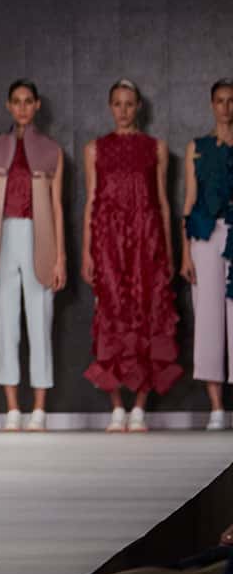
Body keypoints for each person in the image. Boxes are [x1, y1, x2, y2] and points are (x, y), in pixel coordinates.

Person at [82, 79, 183, 430]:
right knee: (111, 316)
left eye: (129, 103)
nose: (123, 110)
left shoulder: (156, 148)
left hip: (147, 241)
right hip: (108, 242)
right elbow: (91, 202)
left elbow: (164, 203)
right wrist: (87, 251)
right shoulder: (95, 148)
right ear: (110, 107)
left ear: (138, 106)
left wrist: (169, 251)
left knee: (147, 316)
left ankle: (139, 407)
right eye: (117, 104)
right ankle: (116, 408)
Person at [0, 80, 67, 432]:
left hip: (39, 234)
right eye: (17, 101)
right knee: (6, 325)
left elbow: (57, 206)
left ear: (37, 105)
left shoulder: (51, 150)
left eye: (28, 101)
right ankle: (13, 408)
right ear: (8, 106)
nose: (23, 107)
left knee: (41, 322)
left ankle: (39, 410)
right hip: (2, 237)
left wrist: (60, 256)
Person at [184, 79, 233, 429]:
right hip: (203, 233)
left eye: (231, 101)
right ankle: (215, 407)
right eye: (220, 101)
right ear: (211, 104)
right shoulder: (196, 147)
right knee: (208, 317)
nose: (226, 107)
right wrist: (185, 252)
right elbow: (188, 201)